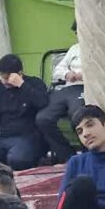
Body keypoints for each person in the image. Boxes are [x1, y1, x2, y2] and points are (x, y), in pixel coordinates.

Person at [0, 54, 49, 171]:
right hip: (4, 137)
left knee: (17, 159)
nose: (4, 81)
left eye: (6, 78)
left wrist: (22, 85)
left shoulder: (34, 83)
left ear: (18, 74)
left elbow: (43, 102)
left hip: (28, 136)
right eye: (1, 77)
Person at [34, 22, 83, 163]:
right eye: (76, 33)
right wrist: (67, 74)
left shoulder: (97, 48)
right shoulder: (74, 49)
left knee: (78, 115)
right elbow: (58, 70)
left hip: (84, 87)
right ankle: (67, 155)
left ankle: (87, 153)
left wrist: (84, 74)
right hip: (67, 87)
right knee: (43, 118)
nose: (78, 35)